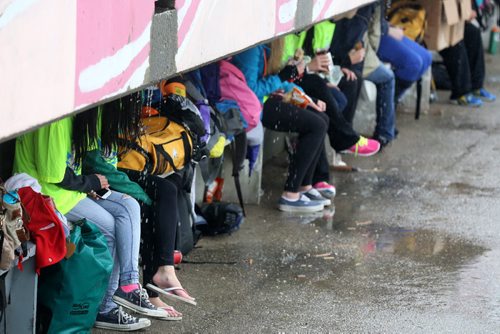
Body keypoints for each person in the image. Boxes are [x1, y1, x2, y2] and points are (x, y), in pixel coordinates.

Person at [13, 113, 163, 331]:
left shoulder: (83, 116)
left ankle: (128, 285)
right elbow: (53, 174)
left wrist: (89, 185)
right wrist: (88, 182)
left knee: (129, 207)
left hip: (69, 192)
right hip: (44, 195)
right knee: (110, 228)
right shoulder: (57, 118)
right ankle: (105, 307)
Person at [80, 94, 195, 317]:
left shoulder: (118, 106)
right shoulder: (98, 109)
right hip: (94, 177)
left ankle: (164, 270)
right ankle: (148, 288)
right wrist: (139, 193)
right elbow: (94, 163)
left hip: (114, 170)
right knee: (145, 207)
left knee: (166, 190)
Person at [231, 42, 330, 212]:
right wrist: (283, 76)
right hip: (251, 109)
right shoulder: (251, 49)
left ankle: (304, 186)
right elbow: (251, 91)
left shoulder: (266, 46)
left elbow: (282, 84)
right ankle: (290, 195)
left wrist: (307, 99)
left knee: (322, 118)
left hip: (264, 102)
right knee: (316, 125)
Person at [439, 8, 496, 107]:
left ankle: (476, 86)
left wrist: (465, 13)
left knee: (473, 32)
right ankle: (460, 94)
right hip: (432, 22)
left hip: (449, 18)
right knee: (455, 42)